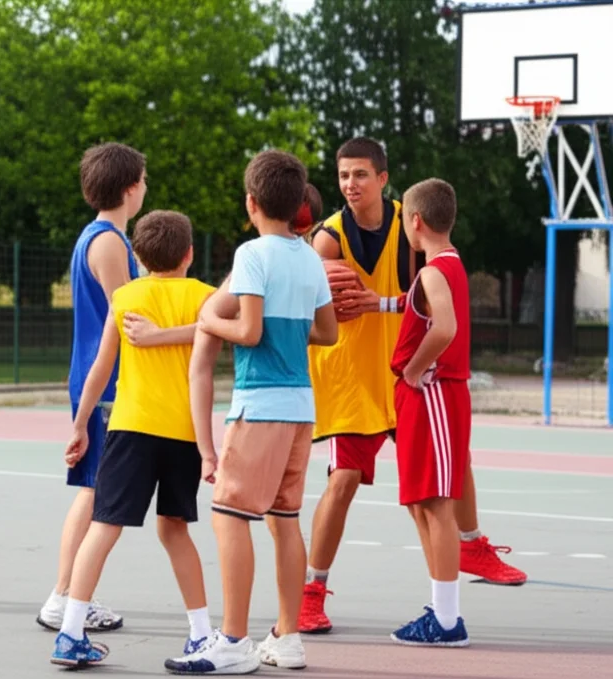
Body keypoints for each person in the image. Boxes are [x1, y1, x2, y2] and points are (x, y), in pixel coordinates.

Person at [298, 137, 526, 634]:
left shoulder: (412, 225)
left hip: (407, 375)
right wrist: (318, 281)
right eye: (342, 176)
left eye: (360, 174)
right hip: (352, 376)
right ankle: (311, 592)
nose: (350, 184)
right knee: (343, 482)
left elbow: (424, 297)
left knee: (451, 466)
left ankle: (471, 547)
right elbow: (310, 291)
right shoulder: (329, 238)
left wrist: (379, 305)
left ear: (383, 178)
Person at [165, 150, 338, 675]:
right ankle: (287, 638)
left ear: (251, 202)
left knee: (229, 516)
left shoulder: (252, 255)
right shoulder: (310, 257)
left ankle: (234, 641)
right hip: (300, 408)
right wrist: (288, 329)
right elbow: (328, 332)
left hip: (260, 405)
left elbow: (249, 331)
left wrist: (206, 321)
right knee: (284, 520)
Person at [37, 143, 196, 633]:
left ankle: (66, 596)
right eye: (144, 179)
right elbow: (128, 316)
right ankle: (64, 597)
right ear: (131, 188)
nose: (146, 185)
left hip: (100, 380)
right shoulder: (107, 242)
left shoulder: (104, 237)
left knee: (92, 491)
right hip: (103, 382)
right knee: (95, 494)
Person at [50, 209, 217, 667]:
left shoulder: (126, 296)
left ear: (137, 256)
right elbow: (235, 333)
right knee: (176, 530)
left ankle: (69, 631)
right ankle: (201, 633)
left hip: (128, 427)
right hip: (182, 432)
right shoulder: (206, 297)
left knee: (103, 526)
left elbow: (102, 366)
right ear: (189, 253)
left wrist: (80, 424)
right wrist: (209, 450)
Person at [388, 178, 471, 647]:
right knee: (422, 502)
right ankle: (440, 609)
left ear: (415, 222)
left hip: (435, 393)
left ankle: (447, 619)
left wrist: (417, 369)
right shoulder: (445, 268)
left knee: (438, 505)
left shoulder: (436, 271)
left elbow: (445, 327)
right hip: (425, 397)